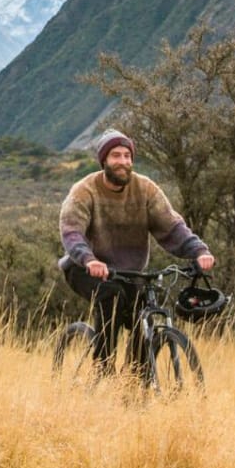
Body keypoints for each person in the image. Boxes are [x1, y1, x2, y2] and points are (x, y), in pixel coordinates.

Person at [59, 128, 216, 371]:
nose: (123, 161)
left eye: (127, 156)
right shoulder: (84, 190)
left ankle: (136, 382)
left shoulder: (145, 188)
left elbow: (172, 226)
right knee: (111, 297)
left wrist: (199, 251)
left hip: (130, 273)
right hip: (85, 268)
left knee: (145, 317)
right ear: (104, 161)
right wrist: (89, 259)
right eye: (116, 156)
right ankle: (104, 369)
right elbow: (72, 232)